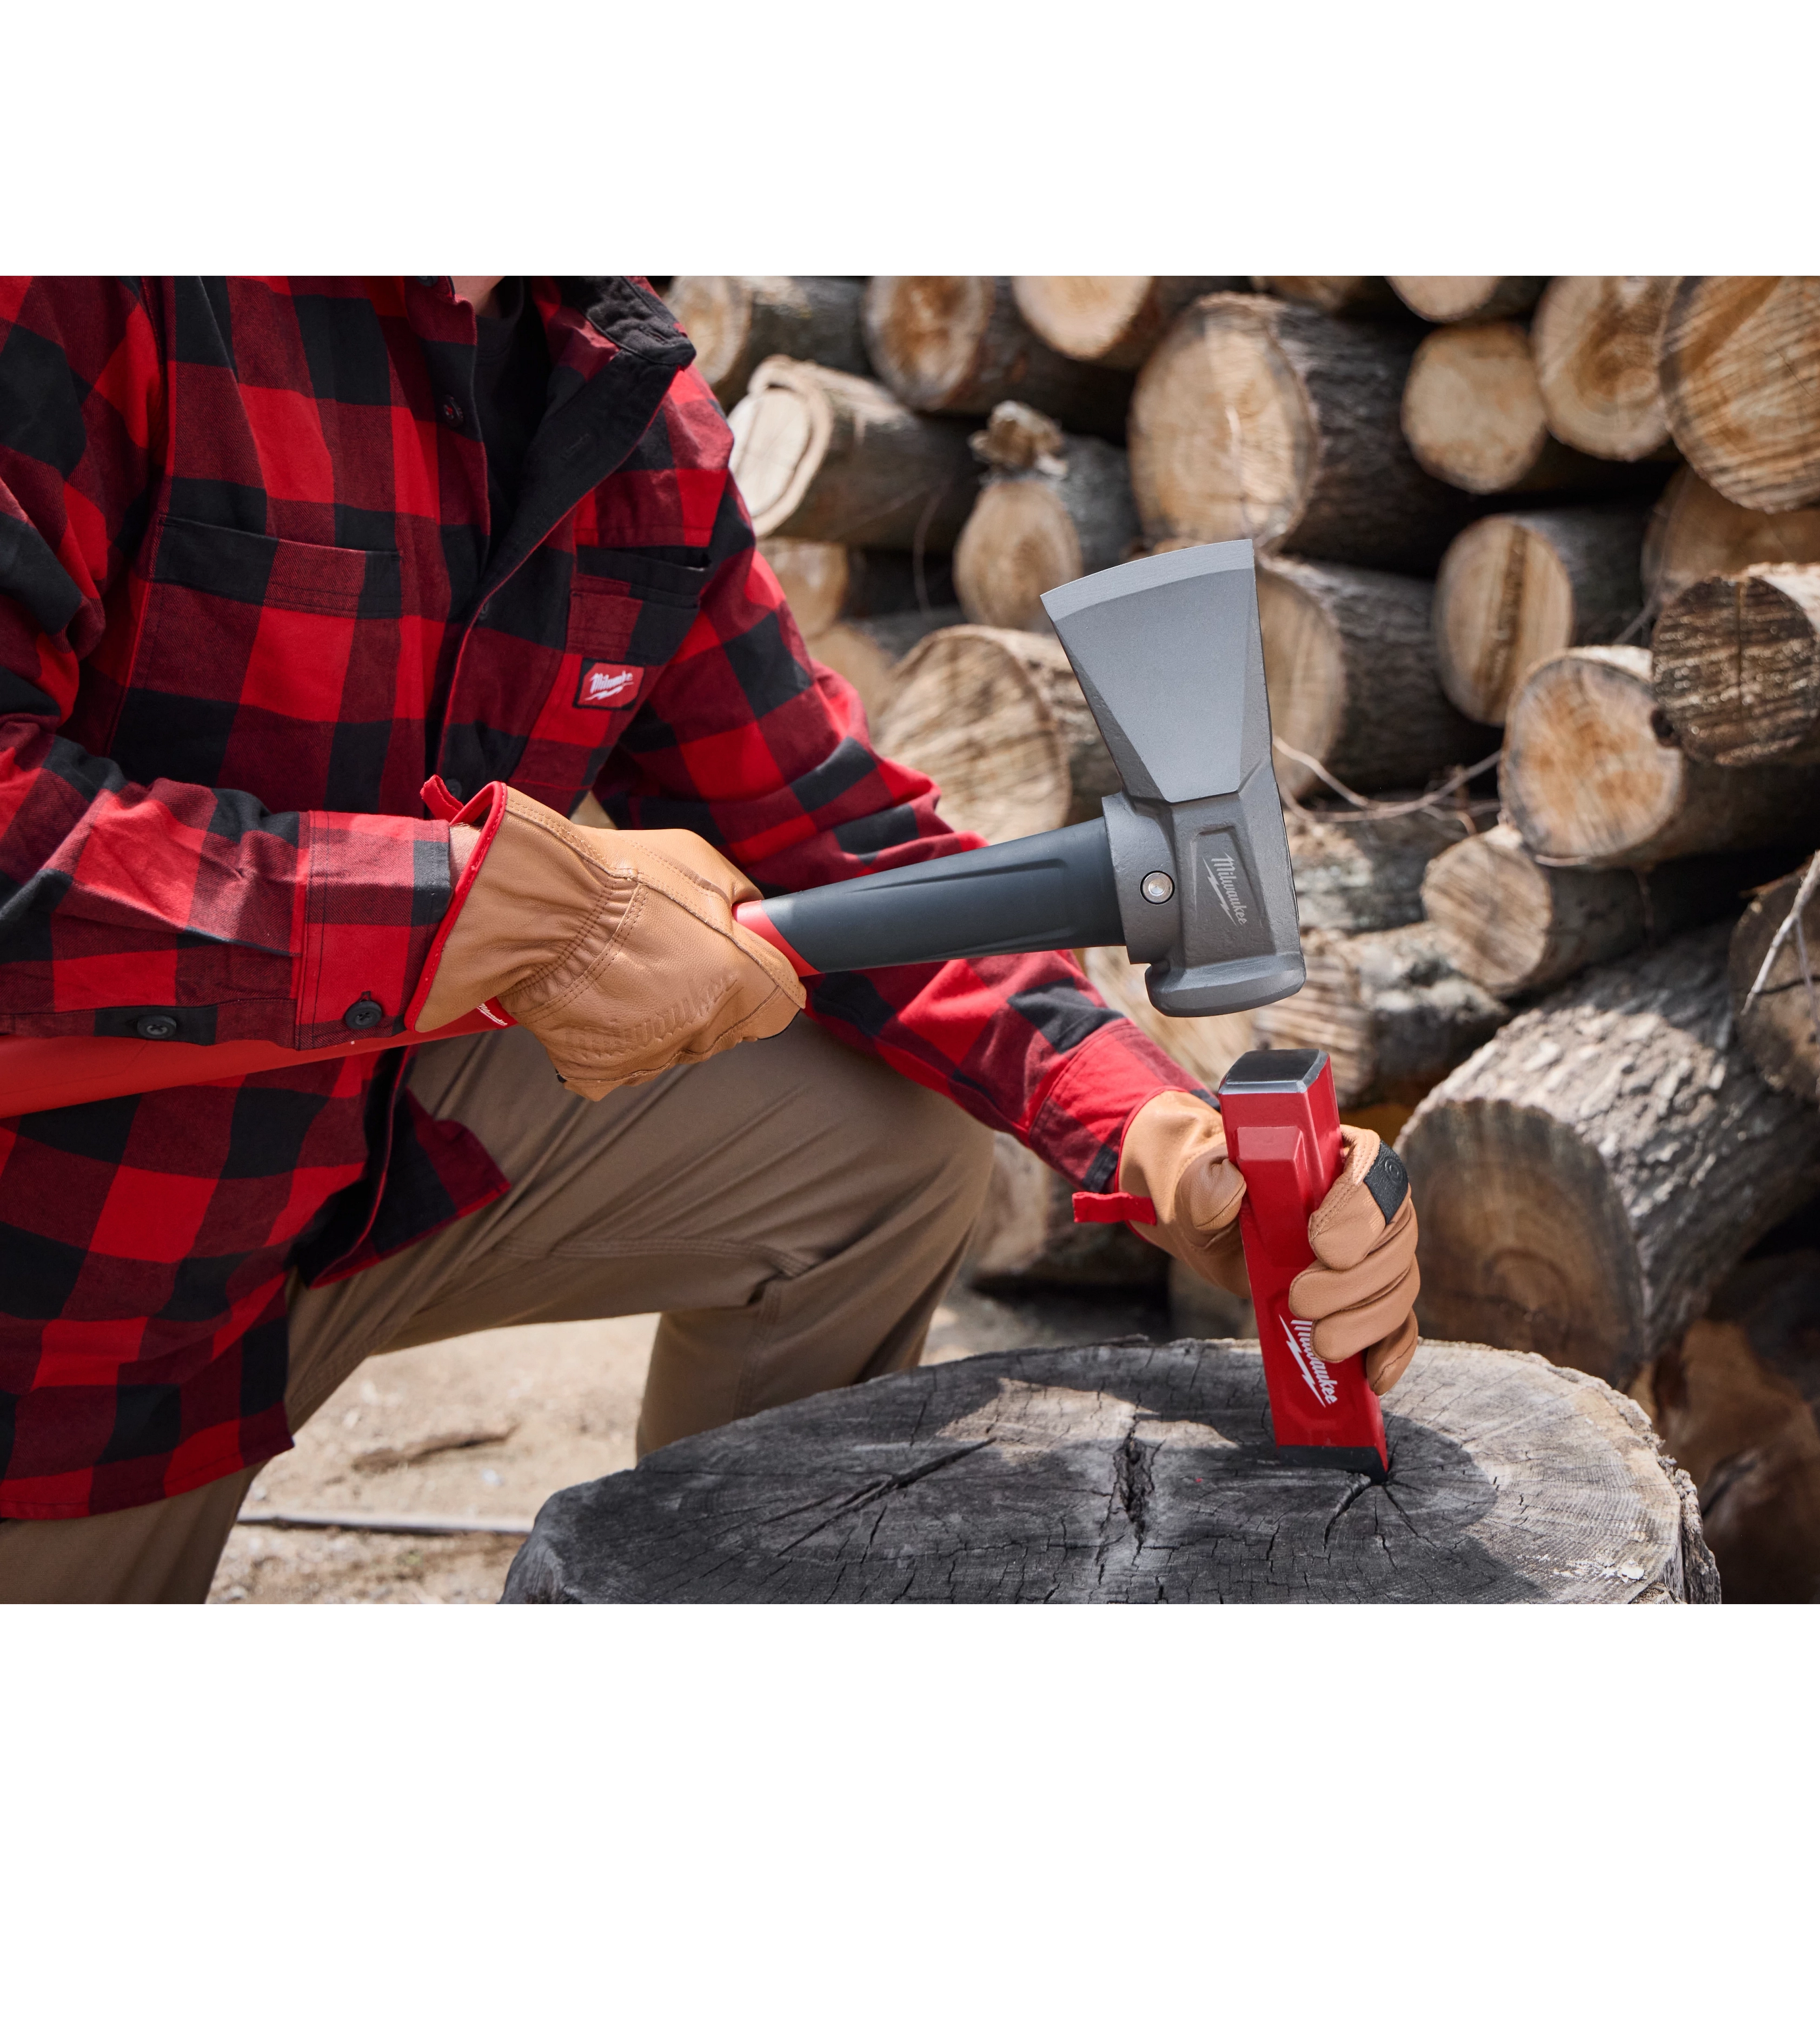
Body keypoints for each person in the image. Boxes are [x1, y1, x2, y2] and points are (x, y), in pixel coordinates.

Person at [0, 274, 1420, 1604]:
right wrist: (448, 907)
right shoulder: (96, 301)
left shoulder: (619, 403)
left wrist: (1160, 1139)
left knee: (879, 1160)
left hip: (347, 1163)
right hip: (66, 1290)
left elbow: (835, 833)